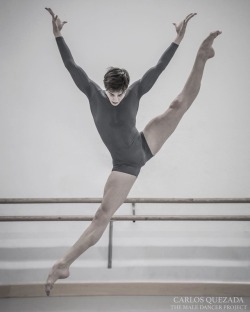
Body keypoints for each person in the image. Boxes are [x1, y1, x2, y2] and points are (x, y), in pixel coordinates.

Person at [44, 8, 221, 296]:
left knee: (179, 105)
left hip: (144, 143)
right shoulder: (92, 93)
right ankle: (63, 264)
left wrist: (177, 40)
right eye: (111, 94)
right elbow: (70, 65)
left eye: (120, 94)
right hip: (125, 164)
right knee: (102, 215)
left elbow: (158, 68)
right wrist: (57, 34)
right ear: (105, 89)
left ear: (126, 89)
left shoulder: (136, 91)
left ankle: (202, 54)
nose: (115, 100)